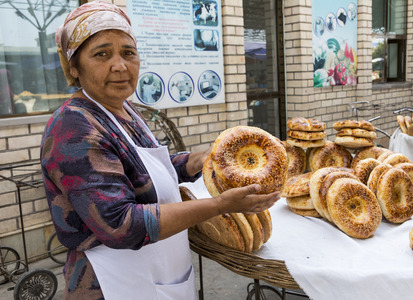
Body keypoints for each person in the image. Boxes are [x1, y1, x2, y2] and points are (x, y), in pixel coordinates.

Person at [40, 2, 280, 299]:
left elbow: (146, 172)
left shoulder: (125, 110)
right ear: (74, 67)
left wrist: (196, 160)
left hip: (160, 275)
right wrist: (221, 206)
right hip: (113, 284)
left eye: (128, 52)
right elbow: (119, 224)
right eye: (102, 54)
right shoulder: (73, 126)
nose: (120, 65)